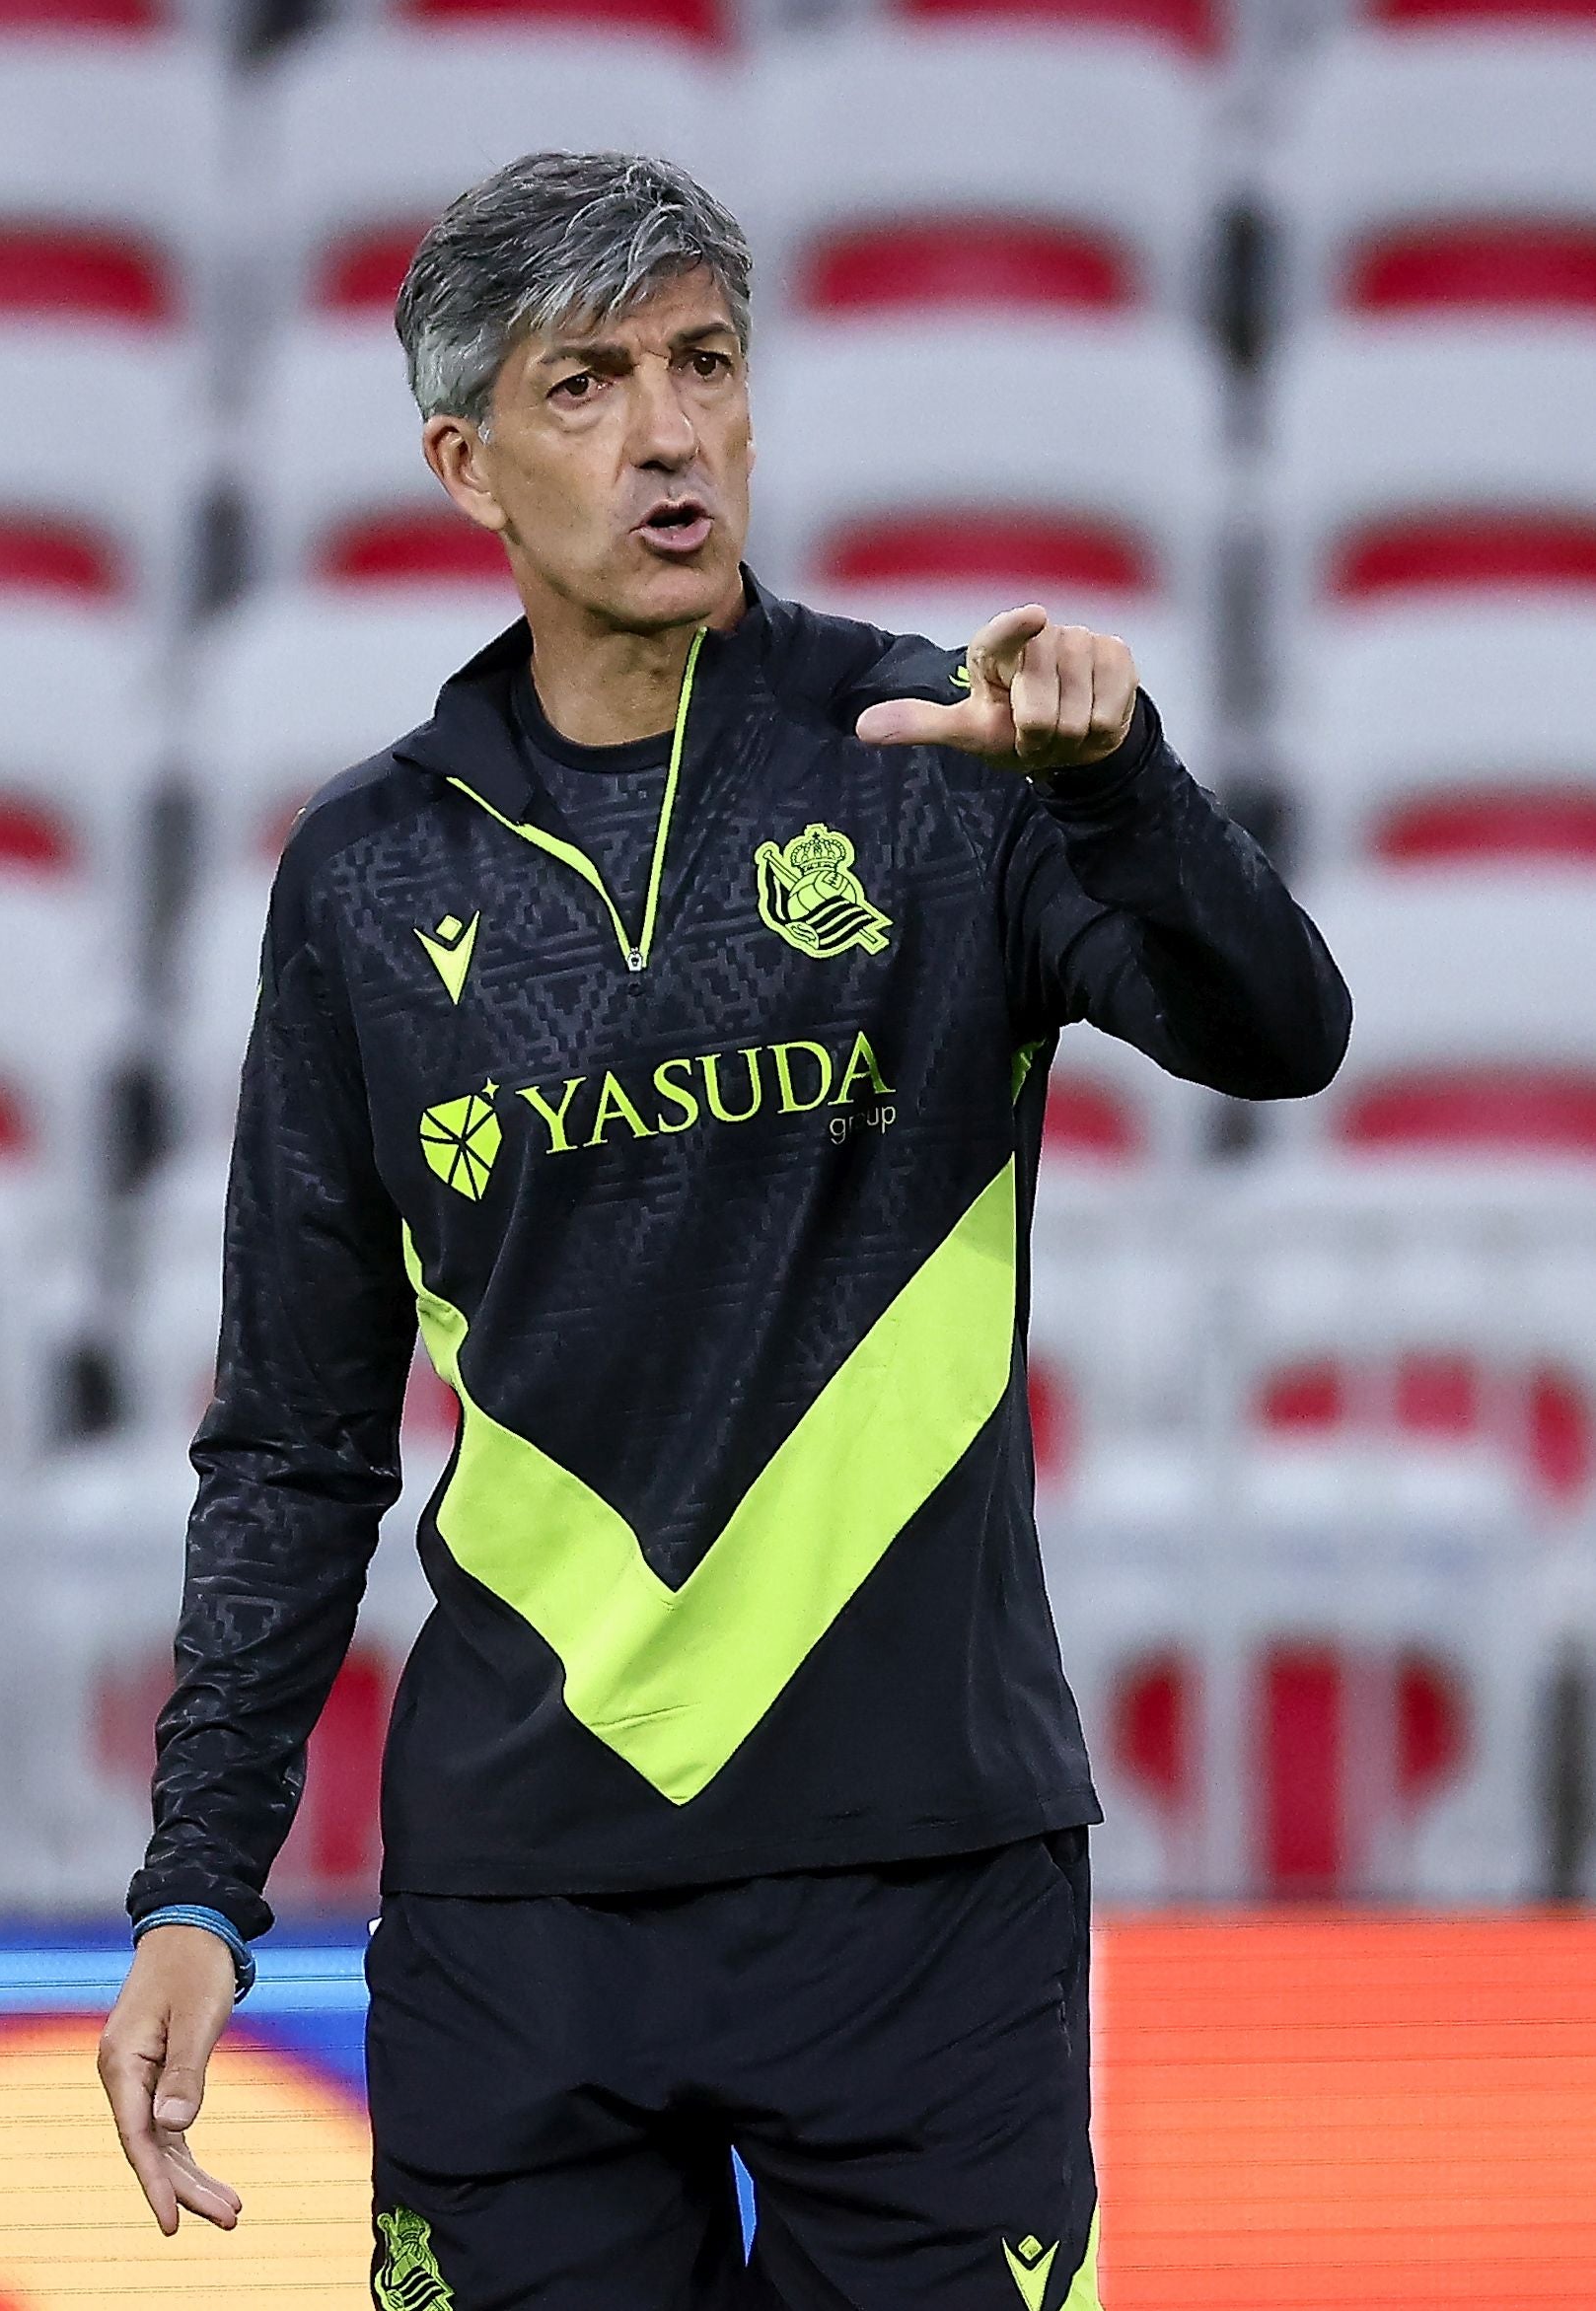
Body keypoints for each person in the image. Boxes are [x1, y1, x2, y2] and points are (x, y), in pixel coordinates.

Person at [97, 150, 1350, 2309]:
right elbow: (294, 1438)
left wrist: (1118, 778)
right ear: (462, 462)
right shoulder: (369, 876)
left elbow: (1283, 1035)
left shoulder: (938, 761)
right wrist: (197, 1884)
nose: (669, 433)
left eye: (704, 366)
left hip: (923, 1873)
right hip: (520, 1905)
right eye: (586, 385)